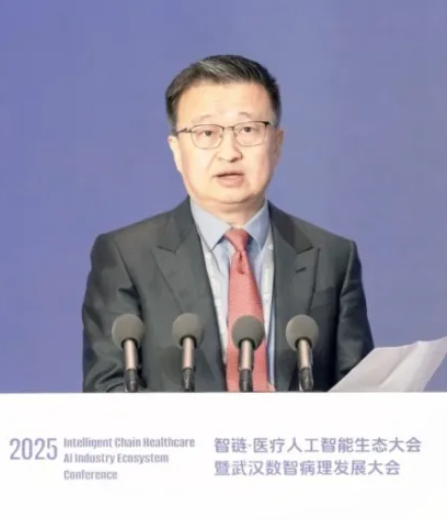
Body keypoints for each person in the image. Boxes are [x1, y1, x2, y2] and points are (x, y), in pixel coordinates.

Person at [82, 54, 374, 392]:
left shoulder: (332, 256)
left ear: (277, 145)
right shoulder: (126, 255)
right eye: (206, 132)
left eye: (248, 130)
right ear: (176, 150)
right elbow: (108, 389)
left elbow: (359, 392)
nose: (229, 152)